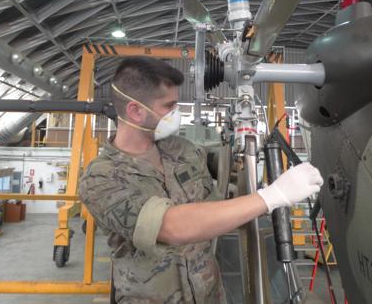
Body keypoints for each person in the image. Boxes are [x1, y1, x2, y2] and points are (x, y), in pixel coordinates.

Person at [79, 57, 323, 304]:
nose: (177, 112)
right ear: (136, 111)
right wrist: (273, 196)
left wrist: (244, 147)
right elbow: (170, 227)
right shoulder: (101, 178)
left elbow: (223, 176)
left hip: (210, 295)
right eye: (169, 106)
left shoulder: (184, 150)